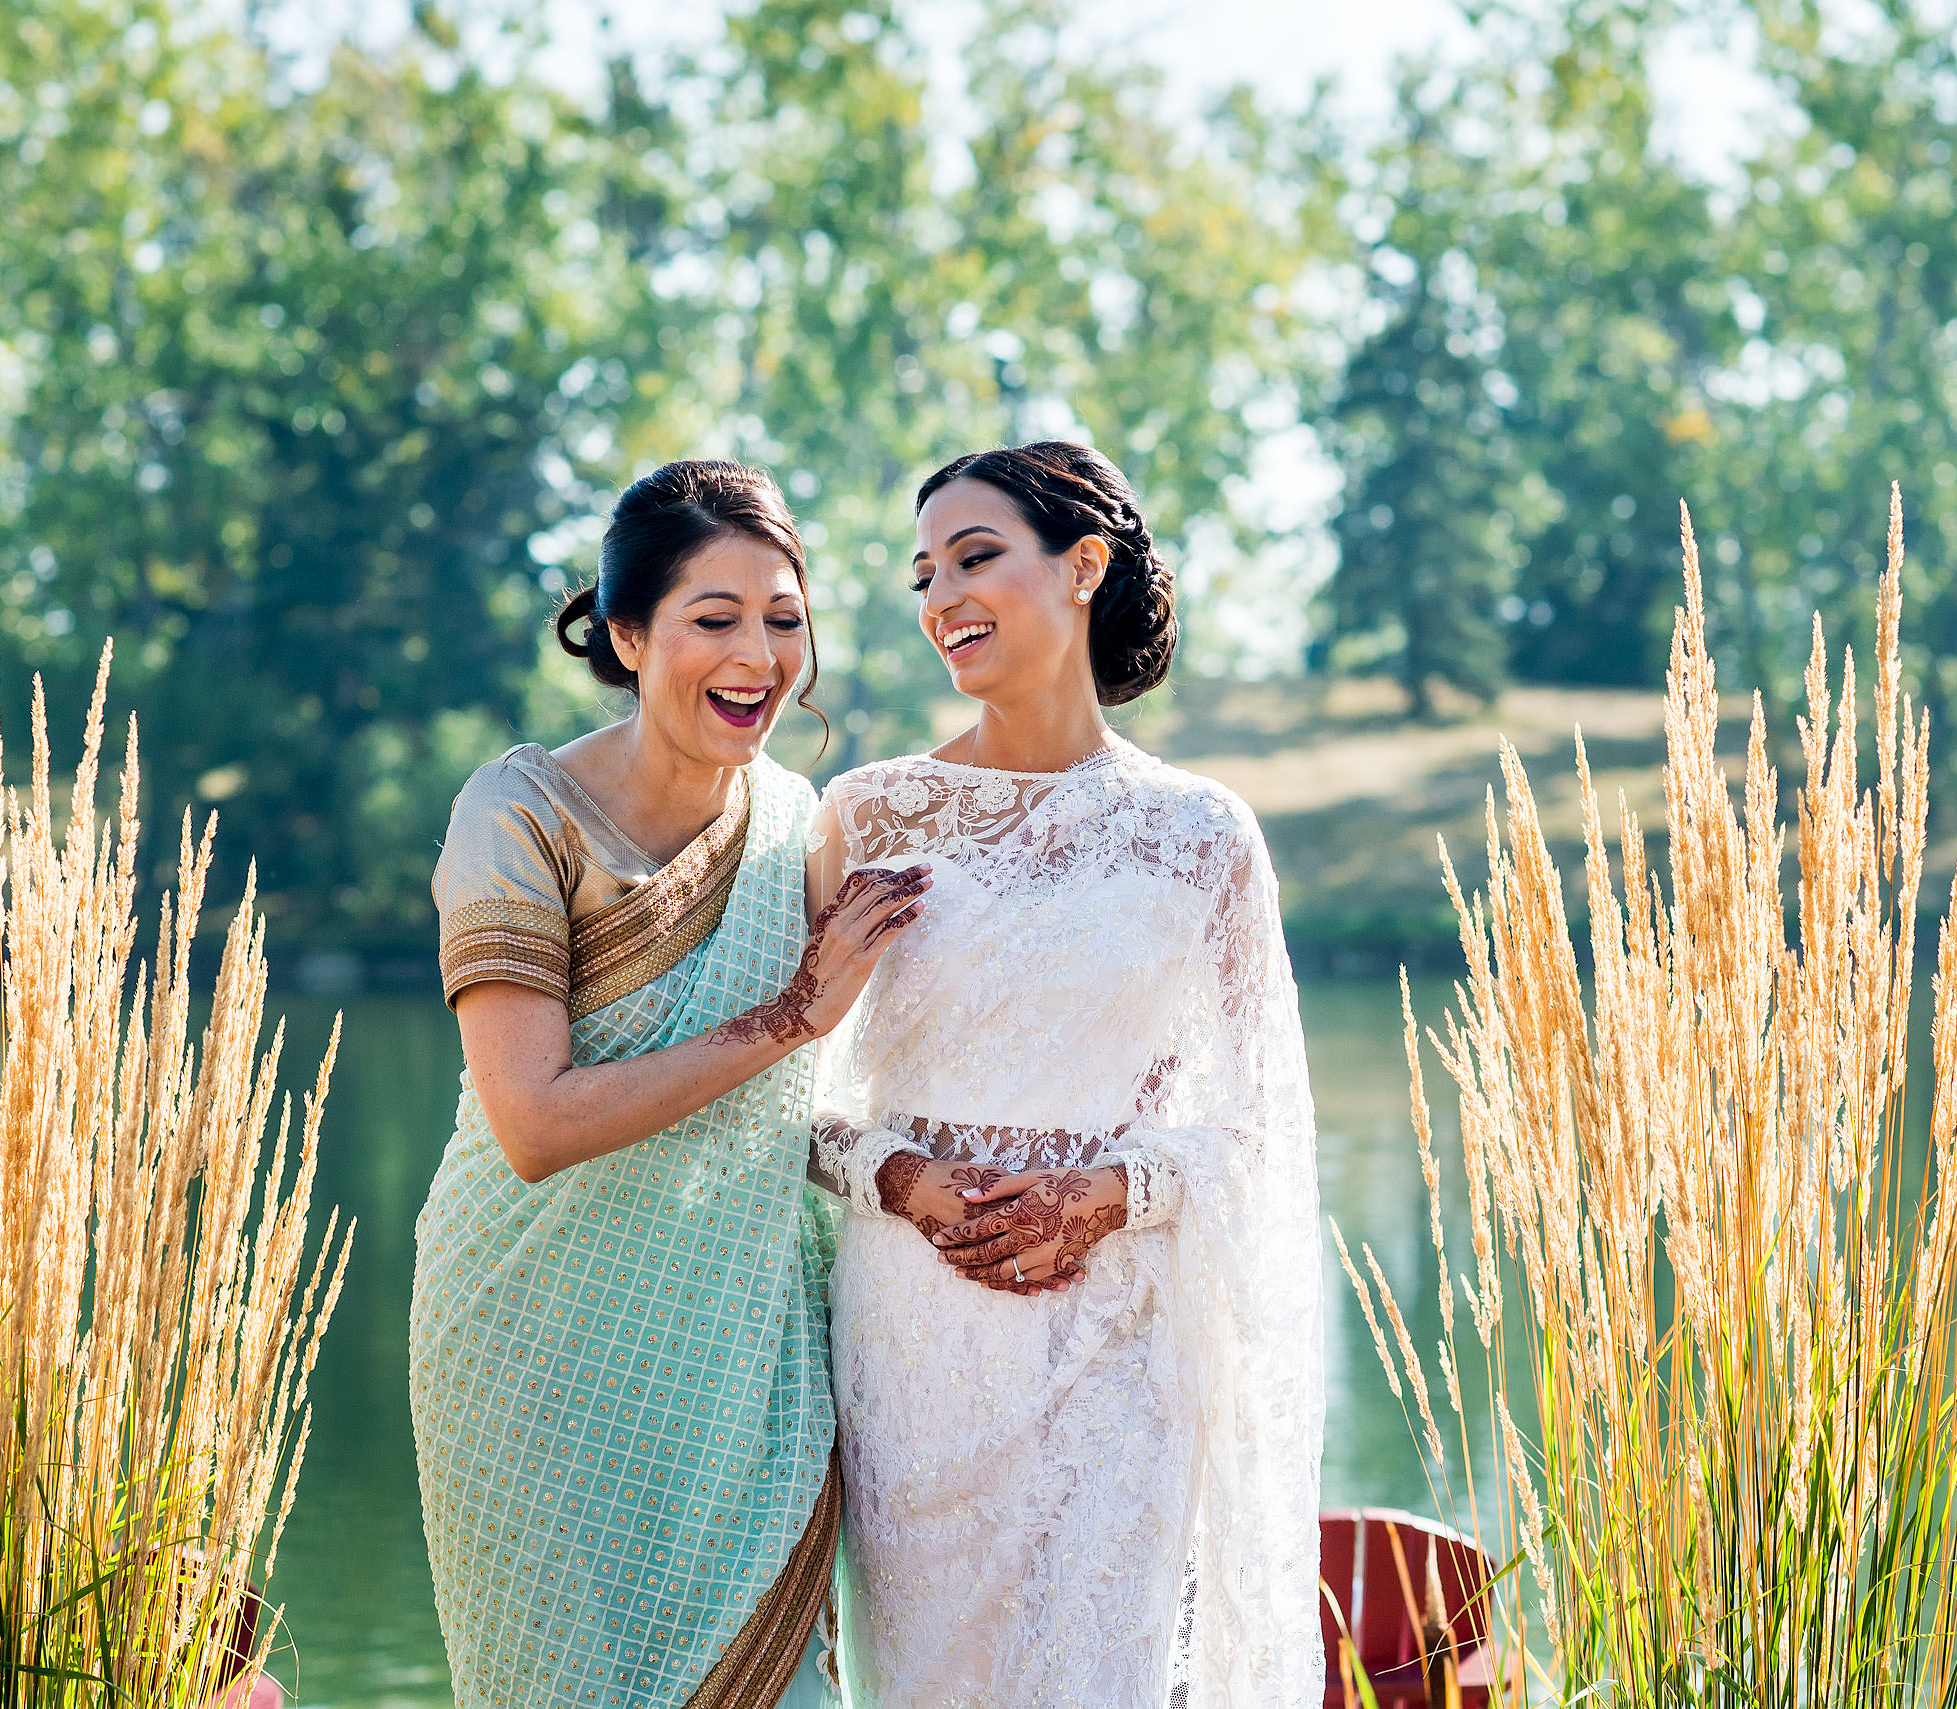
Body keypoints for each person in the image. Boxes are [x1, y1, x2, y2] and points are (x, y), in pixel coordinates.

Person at [805, 442, 1325, 1706]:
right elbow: (782, 1091)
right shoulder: (867, 814)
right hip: (914, 1326)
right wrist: (904, 1176)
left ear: (1084, 564)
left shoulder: (1201, 832)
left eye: (976, 558)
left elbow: (1257, 1120)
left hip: (1118, 1331)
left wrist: (1103, 1197)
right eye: (925, 572)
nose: (941, 598)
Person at [410, 460, 930, 1709]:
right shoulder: (521, 812)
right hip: (529, 1347)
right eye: (715, 619)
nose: (759, 654)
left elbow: (814, 1103)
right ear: (630, 633)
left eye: (784, 619)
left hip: (742, 1363)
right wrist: (792, 1013)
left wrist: (930, 1180)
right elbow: (532, 1120)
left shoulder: (804, 823)